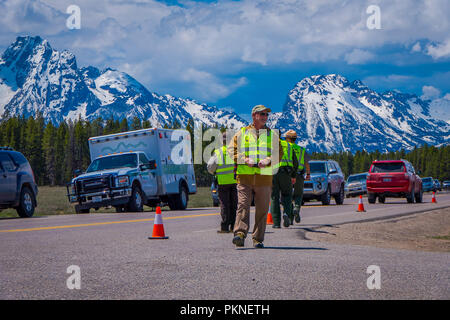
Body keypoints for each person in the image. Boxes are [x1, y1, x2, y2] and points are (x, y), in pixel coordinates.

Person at [227, 105, 283, 248]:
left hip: (264, 177)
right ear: (254, 116)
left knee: (262, 208)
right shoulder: (242, 133)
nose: (265, 117)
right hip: (245, 176)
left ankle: (258, 239)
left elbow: (279, 153)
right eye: (262, 114)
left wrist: (269, 160)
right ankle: (240, 234)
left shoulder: (272, 135)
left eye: (266, 115)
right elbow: (231, 150)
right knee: (243, 205)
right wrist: (244, 159)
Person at [207, 132, 237, 233]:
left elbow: (210, 166)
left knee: (225, 204)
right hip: (234, 181)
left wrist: (214, 172)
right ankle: (234, 226)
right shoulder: (235, 151)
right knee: (234, 204)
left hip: (223, 182)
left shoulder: (218, 152)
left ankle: (225, 226)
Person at [270, 132, 298, 228]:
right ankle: (286, 213)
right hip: (286, 173)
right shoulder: (288, 145)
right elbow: (295, 162)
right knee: (287, 195)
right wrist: (293, 176)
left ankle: (276, 223)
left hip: (273, 173)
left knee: (274, 197)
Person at [284, 130, 310, 224]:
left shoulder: (285, 149)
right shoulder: (301, 150)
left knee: (287, 195)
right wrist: (308, 174)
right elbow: (307, 163)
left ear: (287, 138)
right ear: (295, 139)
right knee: (298, 195)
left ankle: (288, 216)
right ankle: (296, 208)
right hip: (299, 174)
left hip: (287, 175)